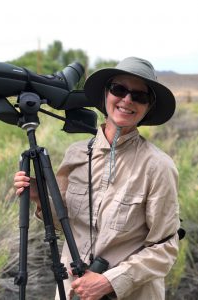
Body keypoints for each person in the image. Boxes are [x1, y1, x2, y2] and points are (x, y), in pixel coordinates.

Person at [14, 57, 180, 300]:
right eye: (119, 89)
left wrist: (109, 281)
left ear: (148, 107)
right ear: (105, 94)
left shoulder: (158, 166)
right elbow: (64, 223)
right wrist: (39, 198)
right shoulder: (76, 154)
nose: (127, 100)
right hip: (74, 291)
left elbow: (166, 247)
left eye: (139, 96)